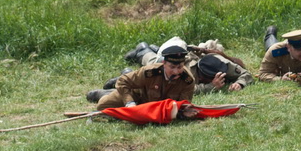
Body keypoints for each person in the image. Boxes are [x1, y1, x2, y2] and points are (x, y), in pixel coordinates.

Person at [88, 38, 253, 102]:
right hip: (160, 67)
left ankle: (127, 72)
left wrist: (240, 83)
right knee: (151, 62)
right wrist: (211, 87)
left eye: (205, 79)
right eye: (202, 78)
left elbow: (246, 74)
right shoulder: (186, 69)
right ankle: (142, 49)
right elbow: (189, 87)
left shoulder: (224, 65)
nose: (202, 80)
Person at [95, 43, 195, 111]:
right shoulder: (150, 72)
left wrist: (183, 112)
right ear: (164, 63)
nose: (176, 71)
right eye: (172, 67)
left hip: (159, 109)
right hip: (138, 99)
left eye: (180, 67)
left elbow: (182, 105)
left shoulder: (187, 81)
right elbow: (122, 81)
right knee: (103, 106)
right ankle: (105, 93)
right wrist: (129, 103)